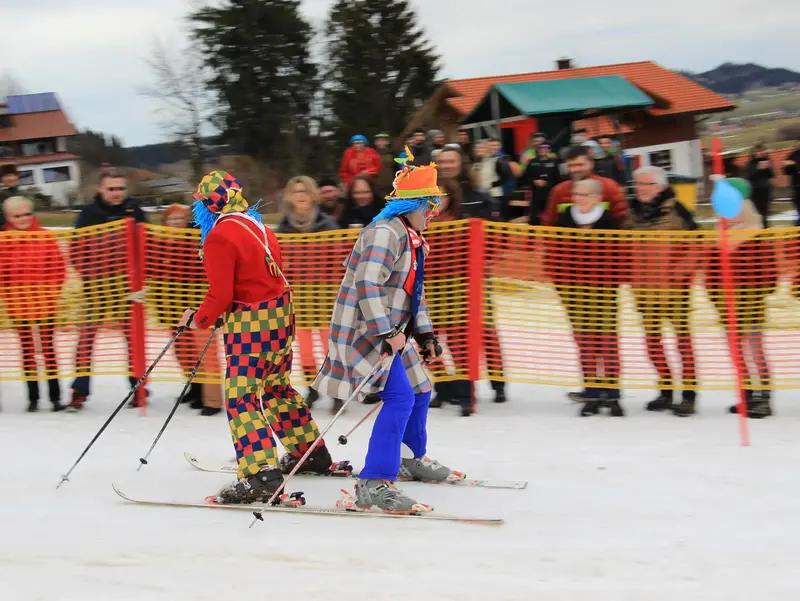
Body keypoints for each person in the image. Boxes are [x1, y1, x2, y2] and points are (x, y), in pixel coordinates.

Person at [311, 151, 459, 514]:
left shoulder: (412, 237)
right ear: (413, 204)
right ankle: (374, 482)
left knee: (422, 390)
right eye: (431, 204)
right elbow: (366, 284)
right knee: (400, 398)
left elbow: (412, 293)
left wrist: (425, 335)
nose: (434, 212)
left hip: (393, 332)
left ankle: (409, 457)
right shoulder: (384, 234)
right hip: (366, 332)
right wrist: (387, 330)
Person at [178, 170, 335, 504]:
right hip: (280, 316)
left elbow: (220, 295)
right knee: (277, 388)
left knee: (240, 396)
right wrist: (221, 312)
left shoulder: (220, 235)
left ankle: (259, 474)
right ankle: (310, 453)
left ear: (209, 205)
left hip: (253, 324)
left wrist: (201, 319)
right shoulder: (256, 225)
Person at [68, 168, 148, 410]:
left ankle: (139, 388)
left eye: (120, 189)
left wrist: (140, 280)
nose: (116, 193)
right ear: (100, 189)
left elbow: (149, 246)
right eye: (111, 189)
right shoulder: (88, 214)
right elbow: (75, 249)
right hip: (97, 289)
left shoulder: (135, 212)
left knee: (133, 339)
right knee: (86, 339)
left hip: (127, 289)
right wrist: (89, 274)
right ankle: (79, 390)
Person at [550, 178, 624, 417]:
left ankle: (612, 394)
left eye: (583, 195)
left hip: (603, 293)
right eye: (576, 194)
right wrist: (562, 285)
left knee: (607, 343)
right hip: (575, 294)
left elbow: (619, 257)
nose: (578, 199)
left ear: (596, 198)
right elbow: (554, 256)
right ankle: (591, 392)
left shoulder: (609, 222)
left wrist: (611, 282)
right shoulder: (565, 220)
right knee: (586, 344)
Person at [630, 166, 699, 416]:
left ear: (659, 186)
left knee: (682, 342)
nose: (640, 189)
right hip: (644, 290)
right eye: (637, 184)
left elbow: (696, 244)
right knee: (651, 343)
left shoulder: (677, 209)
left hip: (674, 290)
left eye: (646, 185)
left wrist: (679, 273)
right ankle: (666, 389)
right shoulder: (633, 213)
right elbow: (622, 246)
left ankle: (689, 394)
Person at [706, 179, 777, 419]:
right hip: (727, 306)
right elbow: (711, 273)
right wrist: (715, 294)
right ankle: (746, 395)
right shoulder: (719, 239)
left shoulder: (755, 236)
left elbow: (770, 273)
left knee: (755, 351)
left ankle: (764, 398)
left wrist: (755, 293)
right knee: (737, 353)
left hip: (751, 305)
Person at [147, 203, 223, 416]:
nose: (176, 222)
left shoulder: (197, 241)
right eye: (172, 219)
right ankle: (196, 387)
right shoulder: (160, 244)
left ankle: (212, 400)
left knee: (205, 352)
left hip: (198, 306)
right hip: (172, 308)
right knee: (183, 351)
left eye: (180, 218)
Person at [276, 176, 341, 413]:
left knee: (328, 344)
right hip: (298, 295)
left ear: (313, 194)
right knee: (303, 346)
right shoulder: (284, 226)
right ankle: (313, 388)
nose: (300, 194)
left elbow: (338, 260)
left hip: (324, 293)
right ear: (289, 197)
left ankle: (336, 390)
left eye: (304, 190)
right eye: (295, 191)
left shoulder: (327, 224)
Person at [0, 196, 67, 411]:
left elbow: (58, 267)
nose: (23, 219)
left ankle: (55, 397)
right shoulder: (4, 240)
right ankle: (33, 398)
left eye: (27, 214)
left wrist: (52, 293)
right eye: (17, 216)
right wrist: (9, 296)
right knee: (27, 350)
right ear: (8, 217)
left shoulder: (45, 237)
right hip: (19, 305)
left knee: (48, 349)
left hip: (45, 304)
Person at [746, 144, 774, 228]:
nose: (760, 153)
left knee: (765, 212)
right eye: (757, 151)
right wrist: (758, 168)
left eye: (761, 151)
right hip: (755, 190)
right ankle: (757, 231)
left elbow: (771, 175)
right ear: (754, 153)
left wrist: (768, 168)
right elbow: (750, 177)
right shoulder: (751, 163)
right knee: (757, 212)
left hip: (765, 189)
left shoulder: (766, 160)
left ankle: (765, 229)